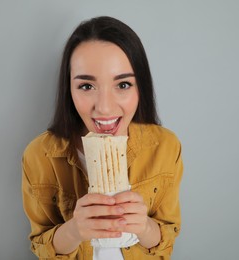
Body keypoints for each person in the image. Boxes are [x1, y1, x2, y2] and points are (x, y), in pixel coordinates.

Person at [22, 16, 183, 260]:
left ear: (142, 88)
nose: (105, 108)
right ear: (69, 90)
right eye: (87, 86)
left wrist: (144, 226)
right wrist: (75, 229)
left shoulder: (166, 147)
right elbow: (40, 244)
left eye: (123, 84)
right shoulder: (38, 155)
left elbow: (166, 240)